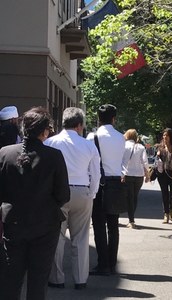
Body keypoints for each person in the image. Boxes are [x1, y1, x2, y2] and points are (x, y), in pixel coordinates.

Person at [0, 107, 70, 299]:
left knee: (10, 279)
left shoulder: (4, 154)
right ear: (45, 131)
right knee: (38, 281)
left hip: (13, 223)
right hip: (45, 224)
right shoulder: (54, 156)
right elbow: (63, 194)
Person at [45, 107, 100, 290]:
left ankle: (56, 278)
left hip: (57, 194)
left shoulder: (51, 142)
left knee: (57, 237)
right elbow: (96, 173)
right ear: (79, 125)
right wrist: (91, 193)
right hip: (82, 191)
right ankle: (80, 279)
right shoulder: (88, 145)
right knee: (81, 238)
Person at [87, 104, 126, 275]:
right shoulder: (121, 137)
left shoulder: (92, 137)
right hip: (116, 182)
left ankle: (102, 264)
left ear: (98, 118)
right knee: (113, 225)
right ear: (114, 118)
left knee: (99, 225)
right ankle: (112, 263)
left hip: (99, 184)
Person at [122, 129, 150, 229]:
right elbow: (145, 162)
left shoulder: (123, 146)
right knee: (134, 197)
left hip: (127, 174)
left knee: (129, 197)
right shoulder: (141, 147)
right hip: (139, 176)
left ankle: (131, 220)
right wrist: (147, 174)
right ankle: (131, 219)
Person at [156, 128, 172, 223]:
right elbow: (156, 162)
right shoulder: (160, 147)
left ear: (171, 137)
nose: (165, 137)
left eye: (167, 135)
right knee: (165, 194)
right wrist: (158, 155)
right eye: (164, 135)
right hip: (163, 174)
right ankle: (166, 214)